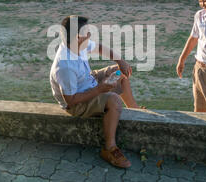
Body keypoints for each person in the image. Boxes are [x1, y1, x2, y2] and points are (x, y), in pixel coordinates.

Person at [50, 15, 141, 168]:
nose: (90, 36)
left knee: (119, 73)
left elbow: (98, 47)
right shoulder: (65, 65)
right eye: (88, 33)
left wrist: (120, 61)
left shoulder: (77, 45)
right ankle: (110, 148)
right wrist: (100, 89)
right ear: (78, 37)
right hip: (77, 102)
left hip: (87, 82)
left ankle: (135, 110)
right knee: (114, 100)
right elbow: (70, 101)